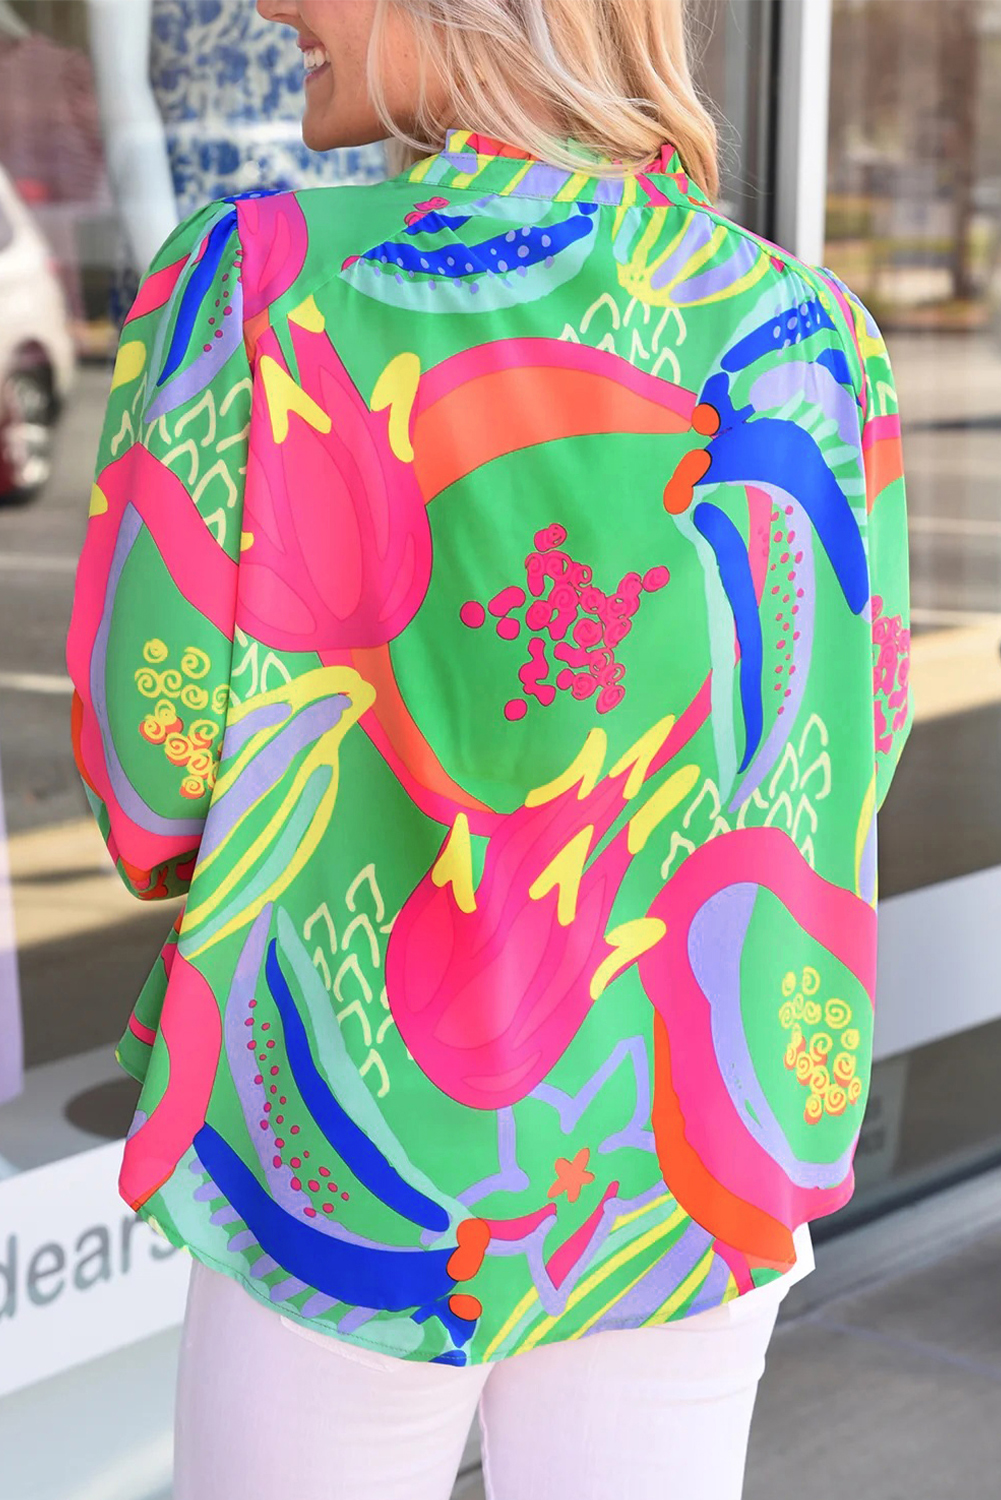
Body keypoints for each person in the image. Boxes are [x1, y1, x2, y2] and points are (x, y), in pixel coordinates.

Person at [65, 0, 913, 1495]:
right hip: (691, 1173)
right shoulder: (813, 332)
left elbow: (153, 780)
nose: (273, 7)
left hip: (350, 1176)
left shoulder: (260, 285)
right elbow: (851, 741)